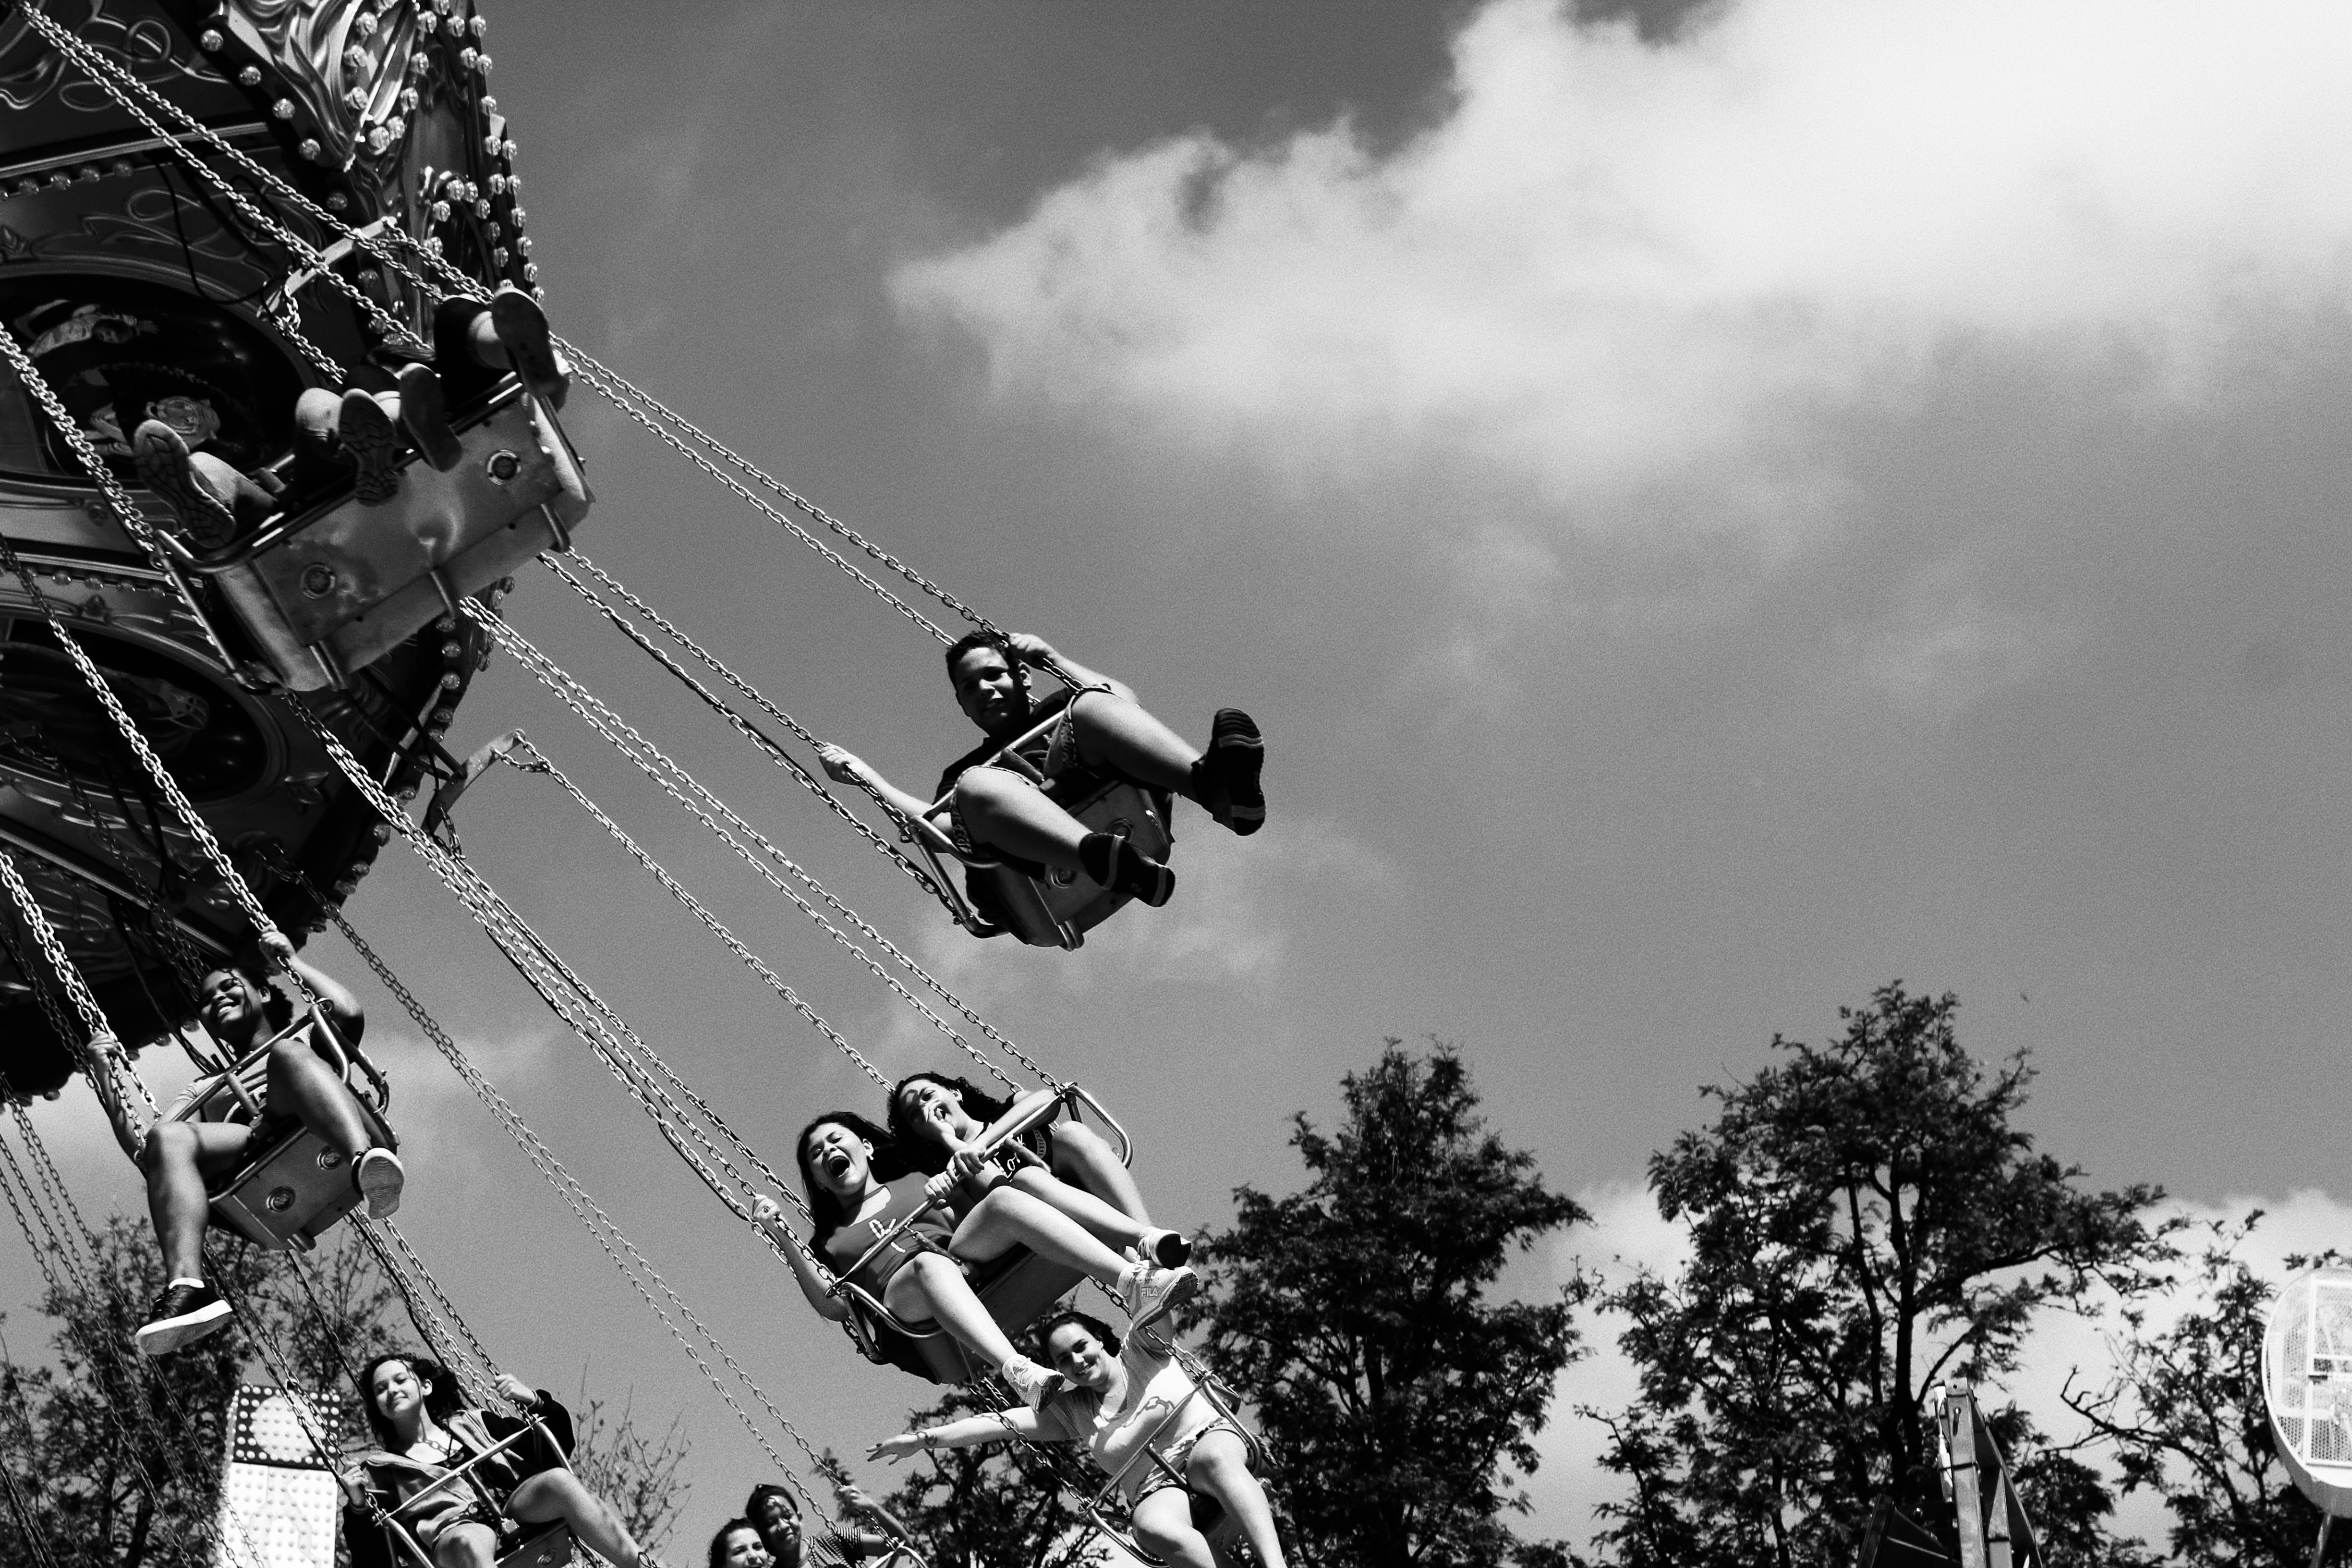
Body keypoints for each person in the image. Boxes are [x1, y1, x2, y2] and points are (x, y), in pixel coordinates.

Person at [815, 631, 1264, 924]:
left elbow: (1123, 705)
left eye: (993, 675)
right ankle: (1100, 858)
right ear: (963, 706)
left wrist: (1052, 656)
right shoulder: (963, 774)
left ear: (1022, 677)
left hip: (1114, 806)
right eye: (969, 688)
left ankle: (1217, 792)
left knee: (1093, 705)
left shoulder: (1062, 711)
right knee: (975, 786)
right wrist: (867, 778)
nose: (984, 690)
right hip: (1037, 889)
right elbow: (937, 830)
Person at [756, 1112, 1198, 1409]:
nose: (827, 1150)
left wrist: (956, 1171)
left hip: (960, 1263)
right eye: (816, 1153)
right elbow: (835, 1306)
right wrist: (783, 1235)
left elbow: (973, 1213)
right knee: (925, 1266)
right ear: (817, 1178)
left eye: (836, 1139)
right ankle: (1018, 1370)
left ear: (867, 1147)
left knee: (1005, 1198)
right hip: (910, 1303)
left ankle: (1131, 1279)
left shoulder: (916, 1179)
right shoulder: (829, 1241)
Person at [111, 930, 403, 1356]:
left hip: (309, 1117)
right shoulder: (205, 1088)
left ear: (263, 992)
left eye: (229, 986)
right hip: (252, 1149)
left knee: (285, 1055)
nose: (218, 999)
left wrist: (291, 963)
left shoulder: (302, 1039)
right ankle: (188, 1285)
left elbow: (348, 1014)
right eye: (207, 1001)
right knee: (167, 1136)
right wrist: (106, 1074)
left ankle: (366, 1162)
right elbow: (148, 1150)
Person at [133, 284, 568, 549]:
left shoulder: (394, 372)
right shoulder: (443, 374)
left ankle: (510, 354)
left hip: (327, 484)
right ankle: (506, 350)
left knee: (318, 404)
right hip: (368, 464)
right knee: (453, 322)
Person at [870, 1311, 1288, 1568]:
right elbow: (997, 1422)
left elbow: (1160, 1291)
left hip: (1207, 1441)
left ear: (1101, 1339)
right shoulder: (1074, 1410)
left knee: (1212, 1461)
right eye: (1062, 1360)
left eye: (1080, 1347)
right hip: (1156, 1487)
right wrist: (925, 1438)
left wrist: (1142, 1249)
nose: (1076, 1361)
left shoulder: (1143, 1348)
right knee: (1150, 1526)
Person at [343, 1352, 647, 1568]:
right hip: (453, 1537)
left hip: (514, 1510)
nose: (392, 1390)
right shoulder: (381, 1470)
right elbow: (375, 1558)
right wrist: (358, 1507)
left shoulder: (474, 1424)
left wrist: (537, 1403)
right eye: (381, 1390)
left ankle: (640, 1564)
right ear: (379, 1408)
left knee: (560, 1481)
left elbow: (555, 1449)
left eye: (400, 1380)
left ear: (425, 1386)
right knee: (468, 1540)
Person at [886, 1071, 1186, 1268]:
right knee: (1027, 1180)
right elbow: (998, 1190)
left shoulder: (1006, 1111)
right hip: (1040, 1221)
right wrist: (952, 1142)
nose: (926, 1110)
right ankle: (1142, 1247)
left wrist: (984, 1142)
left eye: (928, 1096)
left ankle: (1151, 1240)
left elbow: (1048, 1101)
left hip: (1074, 1180)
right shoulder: (952, 1172)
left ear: (955, 1093)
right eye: (915, 1116)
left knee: (1072, 1134)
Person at [744, 1480, 921, 1566]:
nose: (783, 1526)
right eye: (771, 1523)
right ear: (761, 1537)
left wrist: (873, 1508)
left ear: (799, 1517)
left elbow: (904, 1545)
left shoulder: (832, 1540)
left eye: (787, 1516)